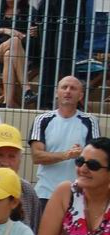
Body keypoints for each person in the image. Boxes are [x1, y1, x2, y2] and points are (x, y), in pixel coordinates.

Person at [29, 76, 100, 211]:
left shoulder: (90, 121)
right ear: (57, 93)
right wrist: (67, 155)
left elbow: (96, 157)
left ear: (80, 96)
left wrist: (82, 155)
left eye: (73, 88)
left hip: (79, 194)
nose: (68, 91)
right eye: (64, 87)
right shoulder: (42, 119)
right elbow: (37, 156)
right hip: (46, 194)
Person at [0, 0, 39, 108]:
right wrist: (4, 30)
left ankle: (7, 103)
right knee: (14, 41)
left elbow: (38, 36)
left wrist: (37, 32)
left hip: (22, 57)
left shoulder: (30, 12)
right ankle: (27, 90)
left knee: (9, 55)